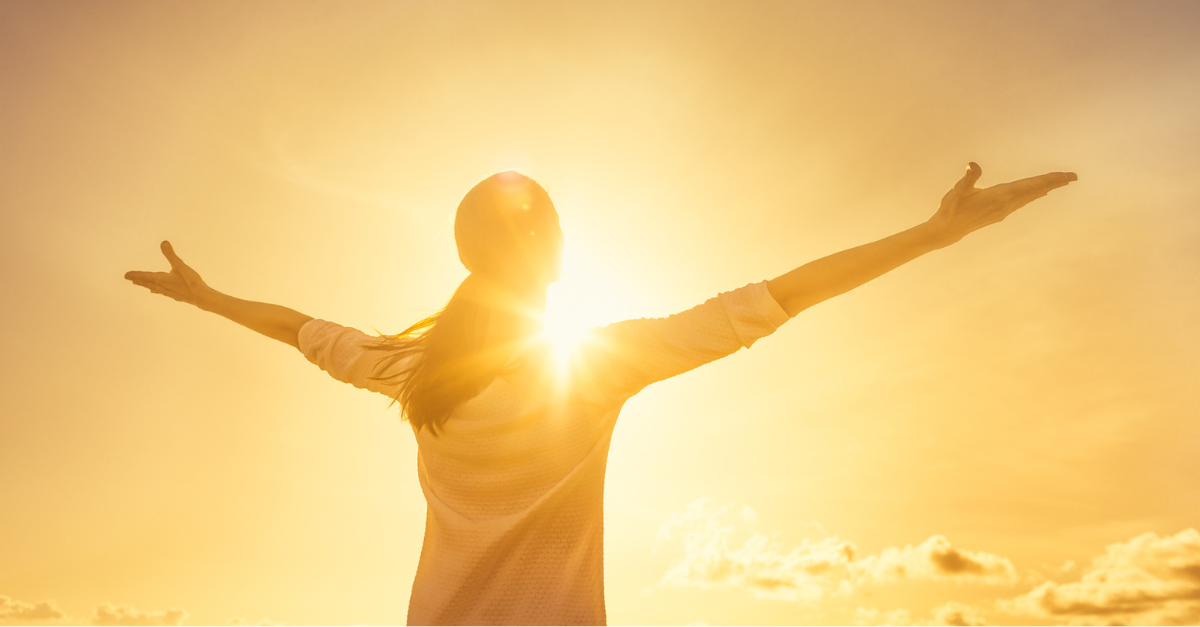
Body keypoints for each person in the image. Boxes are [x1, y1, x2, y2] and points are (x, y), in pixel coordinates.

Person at [124, 163, 1076, 625]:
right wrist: (931, 234)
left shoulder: (413, 372)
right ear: (547, 254)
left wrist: (207, 297)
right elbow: (782, 295)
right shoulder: (599, 364)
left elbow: (298, 327)